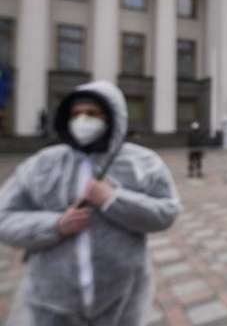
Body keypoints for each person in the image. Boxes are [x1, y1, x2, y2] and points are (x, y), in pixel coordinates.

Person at [0, 80, 182, 326]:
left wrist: (113, 199)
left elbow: (167, 211)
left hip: (123, 300)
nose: (82, 120)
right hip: (51, 302)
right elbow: (4, 216)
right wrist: (55, 225)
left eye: (92, 113)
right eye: (76, 114)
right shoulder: (43, 164)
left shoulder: (143, 163)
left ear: (112, 117)